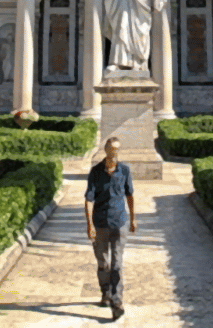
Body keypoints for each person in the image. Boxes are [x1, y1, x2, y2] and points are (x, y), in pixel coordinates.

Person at [85, 136, 135, 320]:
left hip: (119, 222)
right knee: (103, 264)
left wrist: (133, 219)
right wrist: (89, 225)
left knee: (117, 264)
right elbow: (88, 200)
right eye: (111, 149)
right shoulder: (95, 172)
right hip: (100, 223)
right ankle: (105, 292)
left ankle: (117, 302)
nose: (114, 152)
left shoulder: (125, 170)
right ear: (105, 150)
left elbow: (130, 195)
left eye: (116, 149)